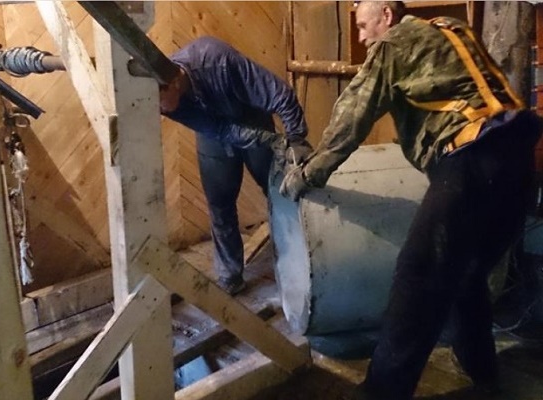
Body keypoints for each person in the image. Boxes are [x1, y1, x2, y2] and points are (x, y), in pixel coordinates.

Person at [279, 1, 542, 399]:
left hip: (470, 160)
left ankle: (380, 393)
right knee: (467, 275)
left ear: (387, 15)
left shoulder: (394, 43)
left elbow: (353, 115)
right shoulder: (451, 27)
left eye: (364, 26)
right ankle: (484, 374)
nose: (363, 37)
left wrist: (307, 175)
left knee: (418, 277)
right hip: (519, 160)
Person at [160, 36, 312, 295]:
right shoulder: (167, 102)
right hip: (215, 134)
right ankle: (230, 276)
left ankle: (297, 263)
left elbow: (281, 95)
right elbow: (220, 130)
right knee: (219, 204)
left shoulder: (217, 60)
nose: (158, 109)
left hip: (252, 116)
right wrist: (264, 140)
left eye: (159, 100)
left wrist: (296, 139)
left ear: (174, 82)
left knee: (281, 194)